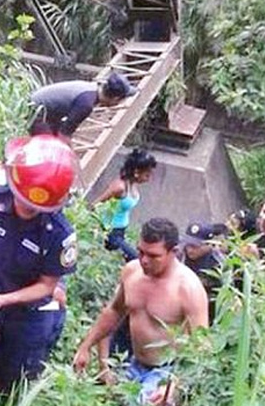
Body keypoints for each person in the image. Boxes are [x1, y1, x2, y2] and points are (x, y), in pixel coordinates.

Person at [0, 134, 79, 399]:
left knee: (10, 385)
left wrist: (5, 299)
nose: (26, 208)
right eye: (22, 200)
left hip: (28, 316)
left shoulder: (58, 233)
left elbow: (47, 285)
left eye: (34, 206)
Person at [73, 218, 209, 405]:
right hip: (132, 363)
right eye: (140, 252)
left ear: (173, 252)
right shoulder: (132, 272)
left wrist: (174, 386)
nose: (144, 260)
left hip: (166, 372)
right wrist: (86, 347)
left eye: (153, 256)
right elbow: (113, 311)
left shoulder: (188, 288)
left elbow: (201, 348)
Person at [91, 148, 157, 262]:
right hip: (111, 233)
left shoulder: (132, 185)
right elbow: (96, 205)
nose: (148, 179)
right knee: (136, 260)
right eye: (146, 175)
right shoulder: (119, 187)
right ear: (136, 172)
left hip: (121, 230)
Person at [28, 71, 138, 139]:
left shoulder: (92, 89)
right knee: (48, 148)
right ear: (115, 98)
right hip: (36, 113)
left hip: (47, 112)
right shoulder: (86, 104)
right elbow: (64, 136)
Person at [181, 222, 225, 324]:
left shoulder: (218, 264)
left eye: (195, 246)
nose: (190, 250)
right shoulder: (181, 256)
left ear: (209, 244)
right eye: (188, 245)